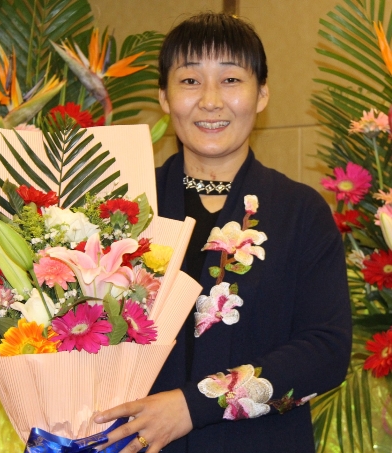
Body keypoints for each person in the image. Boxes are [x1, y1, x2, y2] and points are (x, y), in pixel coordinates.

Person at [94, 12, 352, 453]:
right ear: (164, 96)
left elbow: (326, 352)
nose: (210, 101)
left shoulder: (301, 212)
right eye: (190, 81)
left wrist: (194, 406)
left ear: (262, 93)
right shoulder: (122, 209)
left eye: (231, 80)